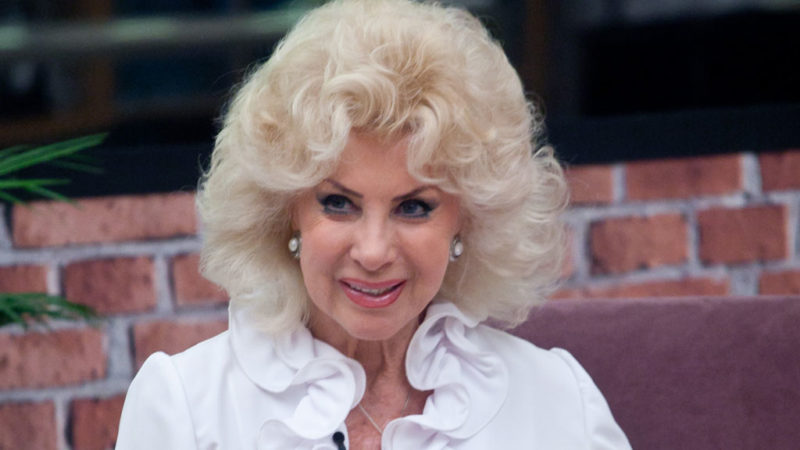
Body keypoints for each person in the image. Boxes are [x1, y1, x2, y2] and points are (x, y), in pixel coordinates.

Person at [116, 0, 630, 448]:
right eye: (339, 203)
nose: (373, 250)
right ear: (287, 209)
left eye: (414, 207)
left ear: (467, 219)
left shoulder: (557, 401)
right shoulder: (186, 406)